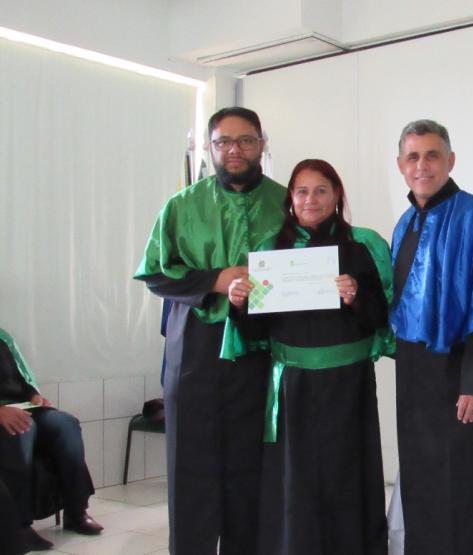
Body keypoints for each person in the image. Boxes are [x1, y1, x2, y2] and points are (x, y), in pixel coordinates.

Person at [134, 107, 286, 554]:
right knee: (191, 471)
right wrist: (215, 281)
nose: (234, 150)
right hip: (195, 355)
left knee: (252, 471)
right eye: (223, 142)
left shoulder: (287, 202)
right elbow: (155, 274)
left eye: (245, 140)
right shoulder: (181, 206)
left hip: (263, 352)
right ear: (210, 147)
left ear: (262, 144)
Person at [221, 159, 392, 555]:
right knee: (293, 479)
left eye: (321, 190)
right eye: (301, 191)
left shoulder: (365, 245)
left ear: (337, 196)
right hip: (292, 385)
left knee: (347, 475)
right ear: (290, 199)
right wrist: (240, 304)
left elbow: (383, 319)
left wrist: (356, 298)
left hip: (348, 384)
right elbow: (257, 334)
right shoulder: (269, 250)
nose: (310, 199)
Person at [391, 119, 473, 555]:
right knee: (421, 483)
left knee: (466, 487)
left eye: (432, 155)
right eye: (413, 156)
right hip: (414, 379)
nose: (423, 165)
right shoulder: (404, 222)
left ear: (450, 160)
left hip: (460, 375)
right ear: (401, 165)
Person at [0, 327, 103, 553]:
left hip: (21, 406)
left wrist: (34, 396)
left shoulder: (3, 337)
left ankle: (76, 510)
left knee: (65, 425)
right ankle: (19, 525)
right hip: (3, 413)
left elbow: (22, 378)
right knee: (24, 430)